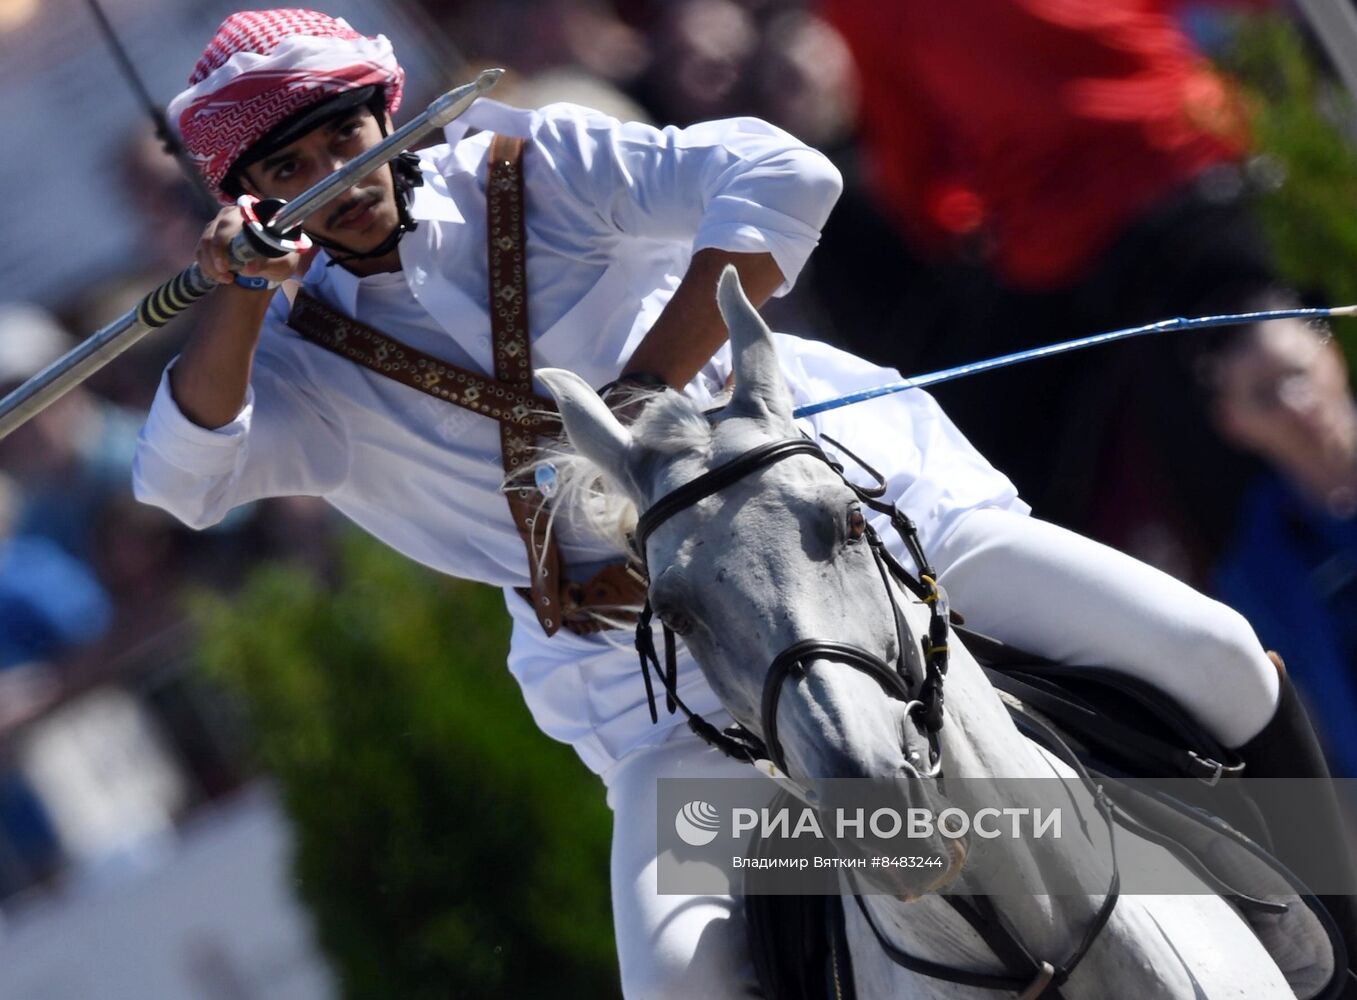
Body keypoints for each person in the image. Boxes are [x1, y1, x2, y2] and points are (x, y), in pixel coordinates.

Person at [131, 10, 1352, 996]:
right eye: (286, 176)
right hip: (661, 677)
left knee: (1214, 655)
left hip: (869, 548)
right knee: (674, 980)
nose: (331, 183)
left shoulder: (535, 164)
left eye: (341, 141)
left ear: (383, 117)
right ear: (248, 207)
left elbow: (786, 172)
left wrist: (647, 389)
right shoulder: (291, 360)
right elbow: (184, 481)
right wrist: (234, 296)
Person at [1199, 305, 1357, 778]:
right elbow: (1312, 737)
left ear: (1333, 355)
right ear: (1232, 422)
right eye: (1264, 395)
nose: (1295, 401)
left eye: (1298, 372)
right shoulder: (1253, 576)